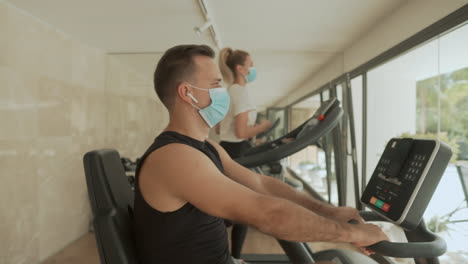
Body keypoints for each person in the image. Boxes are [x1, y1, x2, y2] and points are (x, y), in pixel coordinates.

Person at [133, 44, 388, 264]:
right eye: (216, 84)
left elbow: (260, 183)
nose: (223, 91)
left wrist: (329, 212)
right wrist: (351, 234)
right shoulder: (175, 157)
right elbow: (267, 213)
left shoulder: (207, 147)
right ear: (187, 93)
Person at [216, 47, 272, 258]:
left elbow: (220, 128)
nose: (253, 68)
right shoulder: (239, 92)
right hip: (237, 150)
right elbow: (241, 131)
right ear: (240, 68)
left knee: (232, 208)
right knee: (243, 210)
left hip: (229, 148)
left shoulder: (230, 91)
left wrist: (252, 136)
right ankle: (235, 258)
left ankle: (228, 256)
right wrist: (263, 127)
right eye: (251, 65)